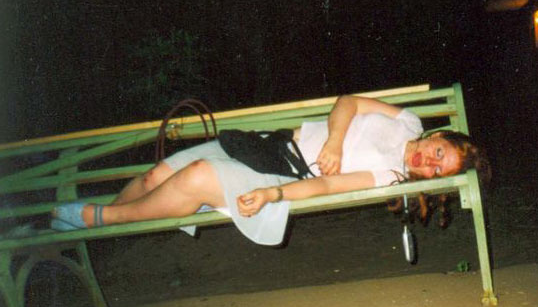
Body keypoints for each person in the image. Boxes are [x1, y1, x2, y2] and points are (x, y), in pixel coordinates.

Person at [51, 95, 490, 245]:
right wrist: (335, 140)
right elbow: (348, 102)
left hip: (284, 175)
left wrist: (273, 195)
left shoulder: (391, 175)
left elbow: (327, 185)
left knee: (199, 174)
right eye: (438, 152)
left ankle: (97, 217)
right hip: (269, 144)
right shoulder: (408, 122)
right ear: (437, 136)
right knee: (154, 178)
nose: (429, 162)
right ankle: (84, 224)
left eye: (437, 171)